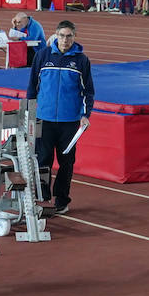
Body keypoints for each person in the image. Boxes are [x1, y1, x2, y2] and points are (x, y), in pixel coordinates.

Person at [25, 19, 94, 217]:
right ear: (55, 35)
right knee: (43, 160)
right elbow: (32, 87)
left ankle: (62, 200)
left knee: (66, 162)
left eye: (69, 36)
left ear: (74, 37)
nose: (65, 40)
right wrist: (30, 112)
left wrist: (85, 115)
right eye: (62, 35)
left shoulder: (81, 61)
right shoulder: (42, 56)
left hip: (70, 122)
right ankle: (43, 198)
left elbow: (88, 91)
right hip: (44, 120)